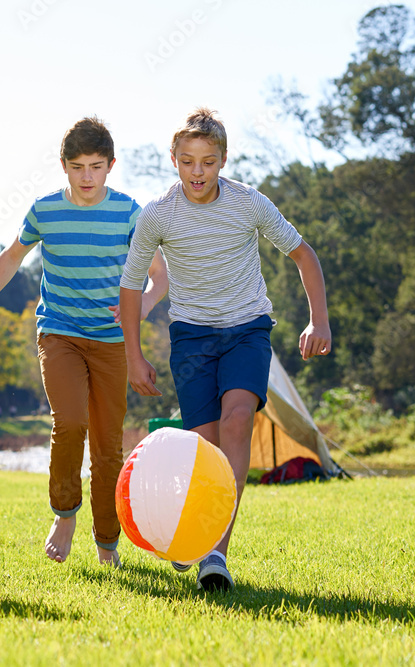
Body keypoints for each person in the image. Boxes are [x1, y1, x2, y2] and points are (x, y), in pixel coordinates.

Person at [119, 107, 332, 592]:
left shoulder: (249, 203)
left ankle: (215, 551)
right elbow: (131, 288)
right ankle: (188, 529)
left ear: (223, 160)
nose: (198, 172)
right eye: (189, 161)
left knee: (238, 421)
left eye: (208, 162)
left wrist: (318, 320)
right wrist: (134, 356)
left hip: (247, 329)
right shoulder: (157, 215)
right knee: (205, 446)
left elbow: (303, 254)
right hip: (191, 336)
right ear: (173, 159)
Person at [0, 117, 167, 568]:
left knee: (110, 446)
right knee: (70, 422)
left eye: (96, 166)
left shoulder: (129, 212)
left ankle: (107, 542)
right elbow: (12, 257)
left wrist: (146, 305)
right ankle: (64, 514)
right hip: (60, 333)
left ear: (111, 166)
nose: (87, 176)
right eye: (77, 167)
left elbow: (159, 274)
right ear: (64, 166)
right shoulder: (45, 211)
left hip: (112, 339)